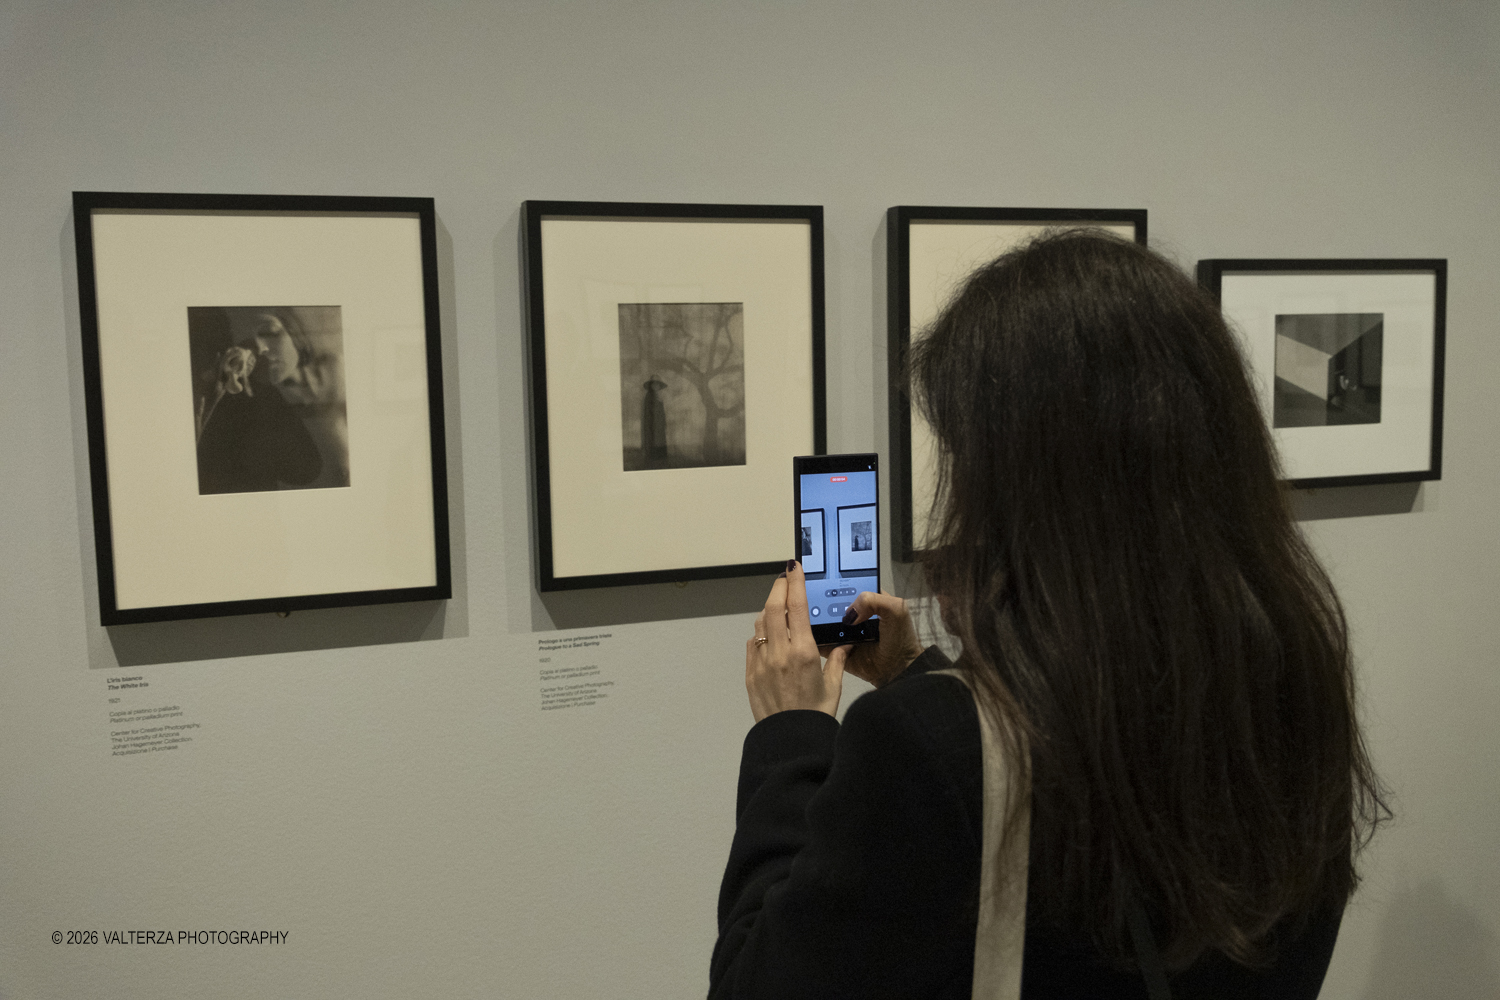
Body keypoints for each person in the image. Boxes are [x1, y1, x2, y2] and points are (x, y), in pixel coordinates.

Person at [710, 230, 1387, 999]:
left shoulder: (922, 746)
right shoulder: (1287, 678)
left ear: (1026, 488)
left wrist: (789, 737)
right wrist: (915, 676)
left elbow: (755, 984)